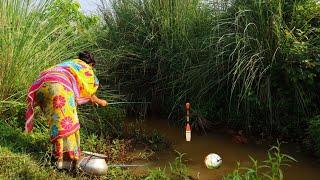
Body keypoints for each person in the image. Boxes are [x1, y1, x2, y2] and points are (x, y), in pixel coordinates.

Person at [25, 51, 107, 170]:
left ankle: (59, 159)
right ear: (92, 64)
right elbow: (91, 94)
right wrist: (101, 102)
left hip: (40, 87)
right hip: (58, 88)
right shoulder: (86, 69)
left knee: (56, 123)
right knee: (68, 123)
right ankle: (65, 162)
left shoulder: (69, 63)